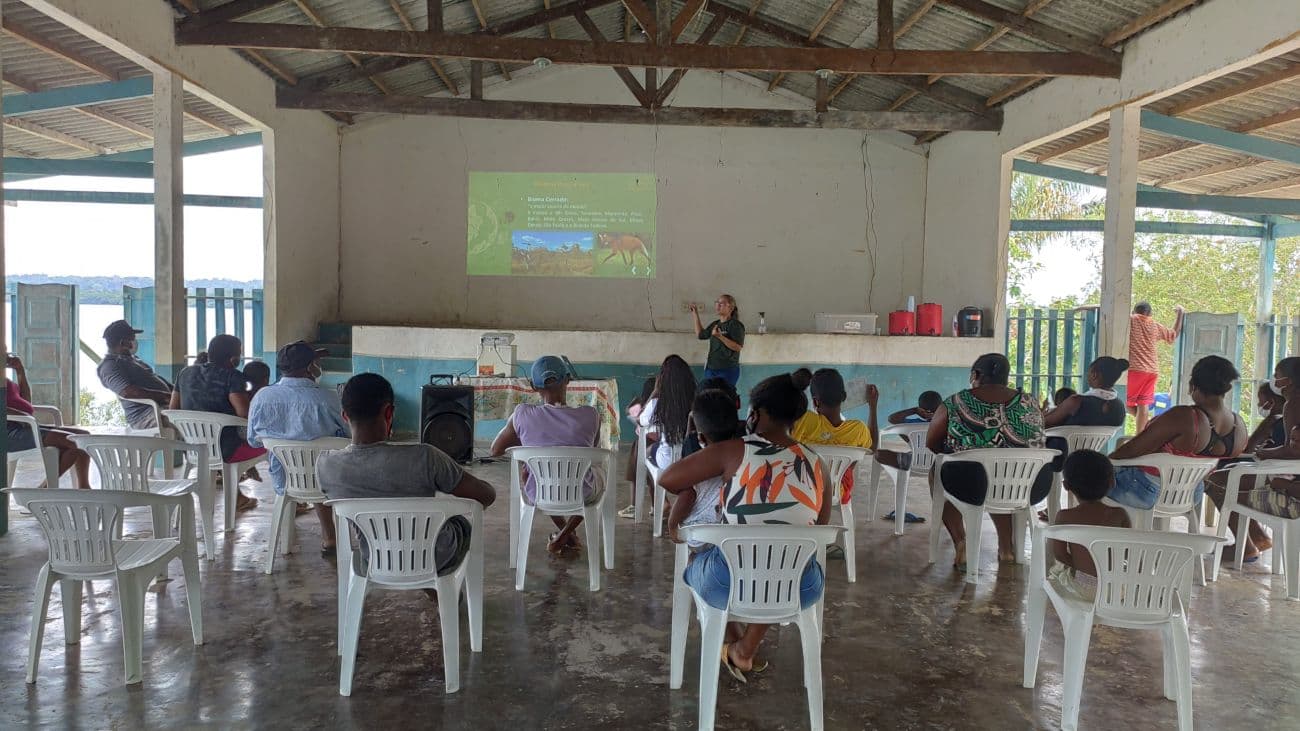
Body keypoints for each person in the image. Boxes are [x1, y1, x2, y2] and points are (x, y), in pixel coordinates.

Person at [659, 374, 831, 681]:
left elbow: (668, 479)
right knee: (777, 561)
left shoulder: (735, 450)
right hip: (801, 586)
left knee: (702, 557)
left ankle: (737, 645)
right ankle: (744, 649)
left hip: (730, 582)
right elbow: (820, 528)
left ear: (757, 413)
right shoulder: (818, 464)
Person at [317, 373, 495, 578]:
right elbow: (486, 496)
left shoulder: (326, 466)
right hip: (434, 557)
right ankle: (439, 590)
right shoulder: (425, 457)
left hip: (375, 559)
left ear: (345, 416)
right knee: (459, 524)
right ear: (389, 412)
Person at [927, 353, 1049, 569]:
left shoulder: (956, 402)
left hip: (972, 485)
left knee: (939, 469)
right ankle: (1006, 548)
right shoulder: (1030, 402)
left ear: (975, 375)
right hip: (1031, 485)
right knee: (1001, 474)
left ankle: (962, 542)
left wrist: (955, 451)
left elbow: (932, 443)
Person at [246, 341, 350, 556]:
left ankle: (299, 539)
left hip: (285, 479)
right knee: (321, 461)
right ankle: (332, 536)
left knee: (308, 465)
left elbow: (253, 441)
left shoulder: (262, 397)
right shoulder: (328, 398)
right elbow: (351, 436)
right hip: (328, 480)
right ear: (311, 366)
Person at [490, 355, 602, 553]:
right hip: (581, 493)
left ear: (533, 386)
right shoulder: (590, 415)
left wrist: (528, 439)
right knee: (598, 474)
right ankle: (566, 534)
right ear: (568, 380)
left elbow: (495, 450)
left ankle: (564, 535)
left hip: (540, 492)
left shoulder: (522, 414)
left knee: (531, 474)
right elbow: (592, 451)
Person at [1110, 355, 1246, 515]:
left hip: (1146, 492)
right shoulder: (1239, 426)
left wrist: (1105, 462)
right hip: (1191, 495)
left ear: (1192, 385)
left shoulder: (1184, 417)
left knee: (1090, 481)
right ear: (1227, 388)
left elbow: (1132, 450)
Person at [1204, 356, 1299, 561]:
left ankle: (1246, 546)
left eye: (1277, 376)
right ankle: (1257, 537)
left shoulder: (1293, 404)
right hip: (1285, 472)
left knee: (1215, 480)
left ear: (1288, 381)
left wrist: (1265, 453)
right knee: (1225, 476)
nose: (1274, 380)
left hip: (1287, 475)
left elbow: (1293, 451)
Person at [170, 334, 265, 513]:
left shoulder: (185, 373)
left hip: (192, 448)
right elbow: (245, 415)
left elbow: (173, 410)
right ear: (233, 359)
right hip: (227, 451)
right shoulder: (232, 377)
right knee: (274, 446)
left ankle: (238, 494)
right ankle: (294, 501)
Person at [792, 368, 878, 517]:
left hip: (802, 488)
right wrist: (873, 407)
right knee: (849, 463)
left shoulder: (804, 421)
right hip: (838, 491)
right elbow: (873, 447)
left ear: (815, 401)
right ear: (843, 396)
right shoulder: (858, 429)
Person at [1048, 450, 1131, 601]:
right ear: (1112, 482)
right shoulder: (1120, 515)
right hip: (1117, 589)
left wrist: (1080, 567)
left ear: (1066, 485)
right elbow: (1128, 552)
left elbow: (1059, 554)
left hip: (1085, 588)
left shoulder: (1064, 517)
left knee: (1057, 573)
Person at [622, 355, 697, 520]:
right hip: (693, 460)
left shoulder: (658, 402)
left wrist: (655, 392)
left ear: (662, 379)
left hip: (667, 461)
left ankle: (661, 502)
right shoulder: (695, 400)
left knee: (646, 454)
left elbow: (641, 420)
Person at [5, 351, 91, 489]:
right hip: (9, 433)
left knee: (84, 437)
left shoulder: (7, 382)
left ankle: (81, 486)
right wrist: (21, 415)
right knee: (75, 442)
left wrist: (20, 370)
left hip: (25, 426)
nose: (7, 355)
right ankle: (49, 488)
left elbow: (26, 402)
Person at [666, 389, 740, 549]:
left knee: (694, 553)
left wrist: (672, 526)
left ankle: (693, 561)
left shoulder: (697, 465)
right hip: (736, 535)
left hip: (702, 535)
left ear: (701, 437)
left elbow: (687, 495)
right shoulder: (742, 456)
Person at [96, 319, 174, 431]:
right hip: (145, 416)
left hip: (163, 407)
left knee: (195, 409)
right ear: (123, 343)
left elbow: (154, 378)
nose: (135, 342)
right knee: (187, 422)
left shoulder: (134, 359)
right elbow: (128, 392)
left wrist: (177, 392)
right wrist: (165, 397)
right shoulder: (109, 366)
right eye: (132, 339)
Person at [1127, 302, 1185, 433]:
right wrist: (1180, 313)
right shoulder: (1154, 325)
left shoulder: (1130, 320)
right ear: (1150, 314)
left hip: (1134, 369)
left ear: (1134, 312)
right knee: (1143, 404)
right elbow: (1173, 334)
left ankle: (1148, 427)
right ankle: (1141, 435)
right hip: (1152, 371)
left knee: (1122, 400)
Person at [1044, 357, 1129, 429]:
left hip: (1060, 443)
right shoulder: (1120, 406)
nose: (1087, 375)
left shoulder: (1076, 401)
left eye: (1089, 372)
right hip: (1096, 444)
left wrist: (1043, 410)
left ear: (1094, 375)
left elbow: (1043, 423)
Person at [690, 294, 744, 387]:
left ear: (731, 308)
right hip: (711, 369)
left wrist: (720, 337)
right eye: (717, 302)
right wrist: (695, 313)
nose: (718, 305)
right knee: (709, 393)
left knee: (724, 394)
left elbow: (738, 347)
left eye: (721, 303)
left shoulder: (735, 325)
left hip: (728, 370)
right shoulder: (715, 324)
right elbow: (700, 335)